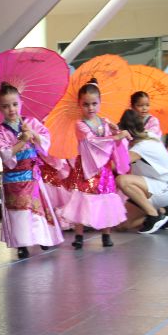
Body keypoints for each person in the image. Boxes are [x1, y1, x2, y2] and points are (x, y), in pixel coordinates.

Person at [0, 82, 64, 259]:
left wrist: (33, 134)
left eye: (15, 104)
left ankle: (42, 237)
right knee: (18, 212)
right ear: (0, 108)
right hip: (12, 177)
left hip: (32, 175)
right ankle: (21, 244)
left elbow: (45, 140)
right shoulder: (0, 131)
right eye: (6, 106)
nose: (11, 109)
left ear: (21, 102)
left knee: (35, 209)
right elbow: (5, 154)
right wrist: (22, 141)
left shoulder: (31, 122)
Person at [60, 80, 131, 249]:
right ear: (79, 104)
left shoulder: (105, 122)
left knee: (106, 199)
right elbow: (93, 142)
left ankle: (106, 234)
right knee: (82, 200)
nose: (90, 108)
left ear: (100, 103)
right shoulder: (79, 124)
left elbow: (109, 143)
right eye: (86, 104)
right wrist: (115, 137)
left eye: (94, 103)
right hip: (86, 167)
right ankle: (79, 234)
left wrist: (116, 133)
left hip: (104, 169)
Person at [115, 109, 168, 233]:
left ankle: (153, 215)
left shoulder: (142, 147)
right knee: (121, 226)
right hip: (148, 187)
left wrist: (114, 139)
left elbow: (117, 165)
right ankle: (163, 212)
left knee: (122, 180)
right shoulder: (148, 136)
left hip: (165, 187)